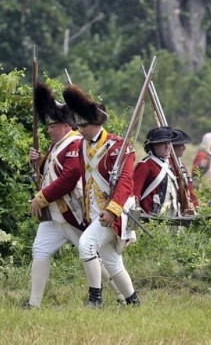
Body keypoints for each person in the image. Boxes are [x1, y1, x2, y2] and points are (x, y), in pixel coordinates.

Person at [26, 83, 124, 308]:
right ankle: (34, 303)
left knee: (94, 254)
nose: (48, 130)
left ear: (64, 125)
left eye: (52, 126)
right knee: (40, 250)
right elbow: (51, 173)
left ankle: (120, 296)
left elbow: (70, 177)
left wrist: (41, 198)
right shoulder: (57, 145)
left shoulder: (73, 143)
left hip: (71, 212)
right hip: (54, 215)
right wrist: (38, 162)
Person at [63, 84, 139, 307]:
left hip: (116, 211)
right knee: (112, 261)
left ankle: (95, 299)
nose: (79, 130)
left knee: (86, 244)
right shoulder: (82, 147)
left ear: (96, 124)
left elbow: (126, 182)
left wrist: (112, 210)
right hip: (95, 212)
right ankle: (133, 302)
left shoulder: (118, 147)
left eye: (83, 125)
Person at [134, 126, 181, 217]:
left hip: (173, 216)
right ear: (154, 145)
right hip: (152, 218)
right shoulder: (145, 165)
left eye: (169, 142)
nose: (167, 146)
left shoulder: (170, 163)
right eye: (163, 143)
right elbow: (134, 195)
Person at [171, 128, 200, 213]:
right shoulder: (169, 164)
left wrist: (196, 205)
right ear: (172, 147)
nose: (184, 148)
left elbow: (188, 187)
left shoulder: (180, 164)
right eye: (181, 145)